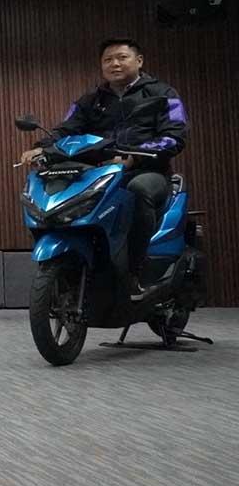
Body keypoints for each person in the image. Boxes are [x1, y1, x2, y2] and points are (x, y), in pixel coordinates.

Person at [19, 38, 188, 297]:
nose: (114, 64)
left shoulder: (163, 94)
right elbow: (66, 129)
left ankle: (136, 271)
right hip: (100, 171)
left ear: (139, 61)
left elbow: (175, 135)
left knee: (139, 190)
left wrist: (137, 157)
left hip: (146, 170)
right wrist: (42, 148)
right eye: (108, 60)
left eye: (122, 57)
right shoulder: (91, 100)